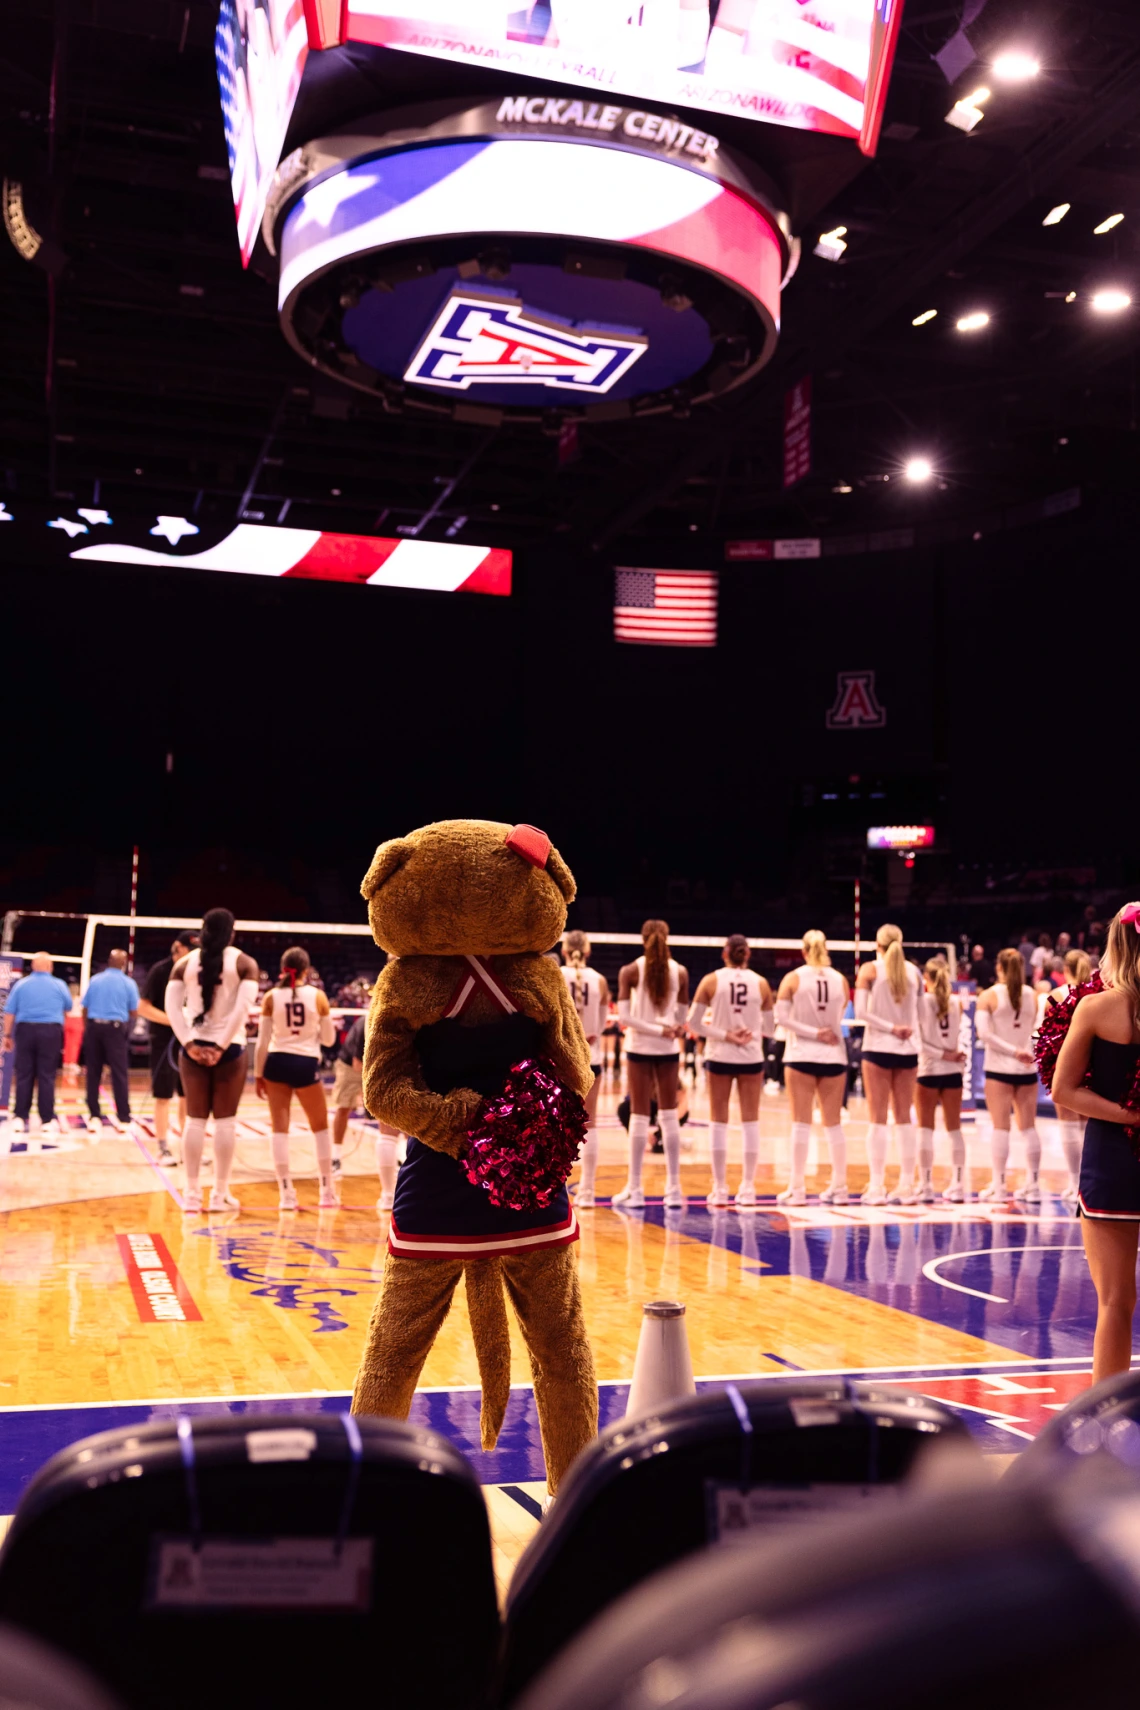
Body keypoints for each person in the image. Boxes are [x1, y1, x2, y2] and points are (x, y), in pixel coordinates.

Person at [1052, 904, 1140, 1384]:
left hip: (1113, 1160)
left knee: (1114, 1302)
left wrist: (1128, 1116)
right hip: (1113, 1162)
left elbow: (1064, 1090)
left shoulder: (1096, 1008)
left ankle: (1108, 1418)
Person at [164, 907, 259, 1214]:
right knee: (225, 1122)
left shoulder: (184, 964)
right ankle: (219, 1195)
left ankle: (191, 1195)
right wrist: (220, 1046)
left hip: (194, 1050)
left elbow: (172, 1009)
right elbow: (242, 1010)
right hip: (230, 1049)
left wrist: (189, 1044)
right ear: (231, 933)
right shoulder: (244, 963)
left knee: (194, 1120)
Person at [687, 934, 774, 1208]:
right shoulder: (761, 983)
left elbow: (694, 1024)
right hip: (751, 1056)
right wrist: (750, 1032)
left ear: (725, 953)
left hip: (720, 1055)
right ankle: (748, 1188)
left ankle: (720, 1188)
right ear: (747, 954)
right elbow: (771, 1028)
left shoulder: (711, 981)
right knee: (751, 1121)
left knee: (718, 1121)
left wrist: (726, 1035)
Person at [254, 946, 338, 1210]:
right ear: (306, 970)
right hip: (305, 1064)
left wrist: (257, 1074)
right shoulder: (318, 996)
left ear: (283, 968)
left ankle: (286, 1194)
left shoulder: (271, 996)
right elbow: (329, 1040)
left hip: (276, 1063)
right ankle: (326, 1191)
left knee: (279, 1129)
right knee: (320, 1128)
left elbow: (262, 1042)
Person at [615, 919, 689, 1209]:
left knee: (639, 1115)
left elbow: (625, 1017)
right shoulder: (680, 971)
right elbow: (681, 1018)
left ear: (643, 938)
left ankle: (635, 1189)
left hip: (640, 1048)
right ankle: (674, 1190)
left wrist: (658, 1029)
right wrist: (667, 1029)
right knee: (669, 1116)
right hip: (667, 1049)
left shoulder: (631, 970)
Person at [773, 931, 849, 1206]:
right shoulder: (840, 980)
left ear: (803, 951)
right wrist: (823, 1032)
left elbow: (781, 1018)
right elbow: (840, 1013)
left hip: (801, 1054)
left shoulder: (793, 978)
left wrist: (813, 1033)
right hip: (833, 1055)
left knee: (801, 1123)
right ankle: (840, 1188)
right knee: (834, 1125)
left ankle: (797, 1189)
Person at [854, 924, 921, 1205]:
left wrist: (892, 1028)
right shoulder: (914, 972)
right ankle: (907, 1185)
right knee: (904, 1118)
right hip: (908, 1050)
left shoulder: (870, 970)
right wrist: (907, 1031)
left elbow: (860, 1012)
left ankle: (877, 1186)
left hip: (879, 1048)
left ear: (877, 944)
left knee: (878, 1118)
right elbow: (920, 1013)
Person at [975, 947, 1041, 1202]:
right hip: (1026, 1069)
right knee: (1029, 1127)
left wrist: (1014, 1052)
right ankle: (1033, 1186)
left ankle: (999, 1186)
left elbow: (984, 1034)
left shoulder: (988, 996)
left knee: (1000, 1127)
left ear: (999, 967)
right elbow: (1038, 1029)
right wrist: (1026, 1051)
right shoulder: (1033, 995)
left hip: (999, 1069)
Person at [331, 1009, 401, 1212]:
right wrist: (369, 1092)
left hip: (377, 1066)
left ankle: (400, 1158)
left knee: (399, 1121)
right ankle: (335, 1157)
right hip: (351, 1066)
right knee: (343, 1108)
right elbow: (357, 1064)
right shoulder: (366, 1023)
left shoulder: (395, 1021)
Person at [137, 933, 198, 1164]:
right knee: (163, 1095)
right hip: (164, 1042)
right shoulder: (161, 971)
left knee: (188, 1096)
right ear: (178, 947)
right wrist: (174, 1020)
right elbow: (143, 1008)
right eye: (190, 949)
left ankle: (188, 1148)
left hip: (190, 1041)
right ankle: (162, 1147)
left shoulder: (197, 972)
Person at [561, 930, 611, 1209]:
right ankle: (588, 1191)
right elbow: (601, 1026)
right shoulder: (600, 980)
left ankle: (554, 1193)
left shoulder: (557, 975)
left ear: (565, 950)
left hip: (560, 1059)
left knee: (557, 1125)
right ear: (588, 952)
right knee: (590, 1125)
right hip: (591, 1058)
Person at [2, 952, 72, 1136]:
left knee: (24, 1074)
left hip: (25, 1030)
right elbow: (68, 1008)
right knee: (47, 1076)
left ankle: (19, 1117)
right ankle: (46, 1120)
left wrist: (7, 1035)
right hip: (51, 1032)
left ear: (32, 966)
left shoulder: (22, 985)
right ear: (50, 967)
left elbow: (9, 1012)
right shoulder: (59, 985)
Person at [916, 958, 967, 1202]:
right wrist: (951, 1055)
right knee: (955, 1129)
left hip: (929, 1069)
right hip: (953, 1071)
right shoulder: (957, 1002)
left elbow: (920, 1042)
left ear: (926, 977)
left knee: (925, 1128)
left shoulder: (922, 1002)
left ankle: (926, 1185)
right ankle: (958, 1185)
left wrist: (943, 1055)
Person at [1049, 947, 1094, 1204]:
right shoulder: (1097, 993)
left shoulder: (1057, 995)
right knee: (1087, 1123)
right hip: (1092, 1066)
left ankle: (1073, 1182)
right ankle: (1086, 1183)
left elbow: (1044, 1037)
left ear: (1065, 969)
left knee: (1067, 1122)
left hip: (1065, 1066)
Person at [79, 949, 139, 1132]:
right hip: (115, 1029)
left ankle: (94, 1116)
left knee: (93, 1073)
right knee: (119, 1074)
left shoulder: (95, 980)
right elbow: (134, 1012)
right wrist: (125, 1030)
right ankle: (123, 1118)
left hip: (94, 1027)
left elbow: (84, 1008)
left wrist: (88, 1028)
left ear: (108, 961)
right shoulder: (128, 983)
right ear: (124, 964)